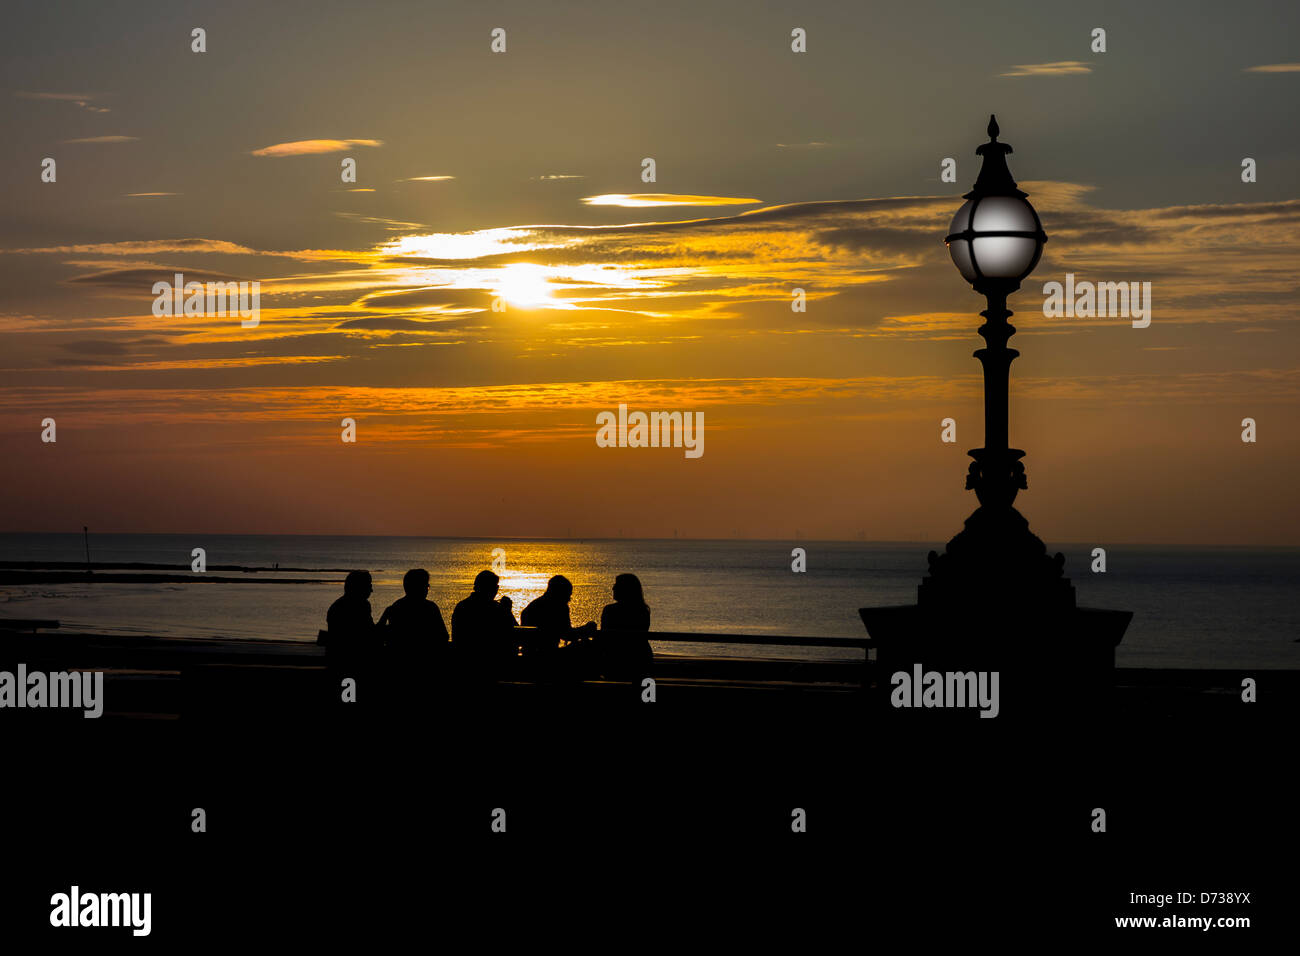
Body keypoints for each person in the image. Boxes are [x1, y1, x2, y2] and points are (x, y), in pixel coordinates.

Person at [450, 570, 519, 680]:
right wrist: (507, 611)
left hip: (466, 663)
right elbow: (516, 632)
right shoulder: (496, 609)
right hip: (493, 665)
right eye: (494, 587)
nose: (496, 590)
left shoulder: (462, 606)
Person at [520, 575, 597, 670]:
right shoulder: (559, 607)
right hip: (549, 657)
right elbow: (567, 634)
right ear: (560, 593)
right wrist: (586, 629)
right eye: (568, 595)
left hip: (529, 656)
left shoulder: (531, 607)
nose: (569, 599)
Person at [378, 569, 450, 670]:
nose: (427, 589)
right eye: (426, 586)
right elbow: (443, 636)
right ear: (419, 587)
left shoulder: (396, 606)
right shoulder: (430, 608)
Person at [599, 573, 653, 679]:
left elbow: (605, 638)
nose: (613, 587)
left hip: (615, 660)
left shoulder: (610, 610)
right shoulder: (642, 611)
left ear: (625, 589)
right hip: (641, 659)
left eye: (616, 585)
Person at [324, 570, 378, 674]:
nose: (371, 590)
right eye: (368, 585)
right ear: (359, 587)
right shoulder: (360, 606)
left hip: (337, 659)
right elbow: (369, 635)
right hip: (349, 662)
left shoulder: (340, 605)